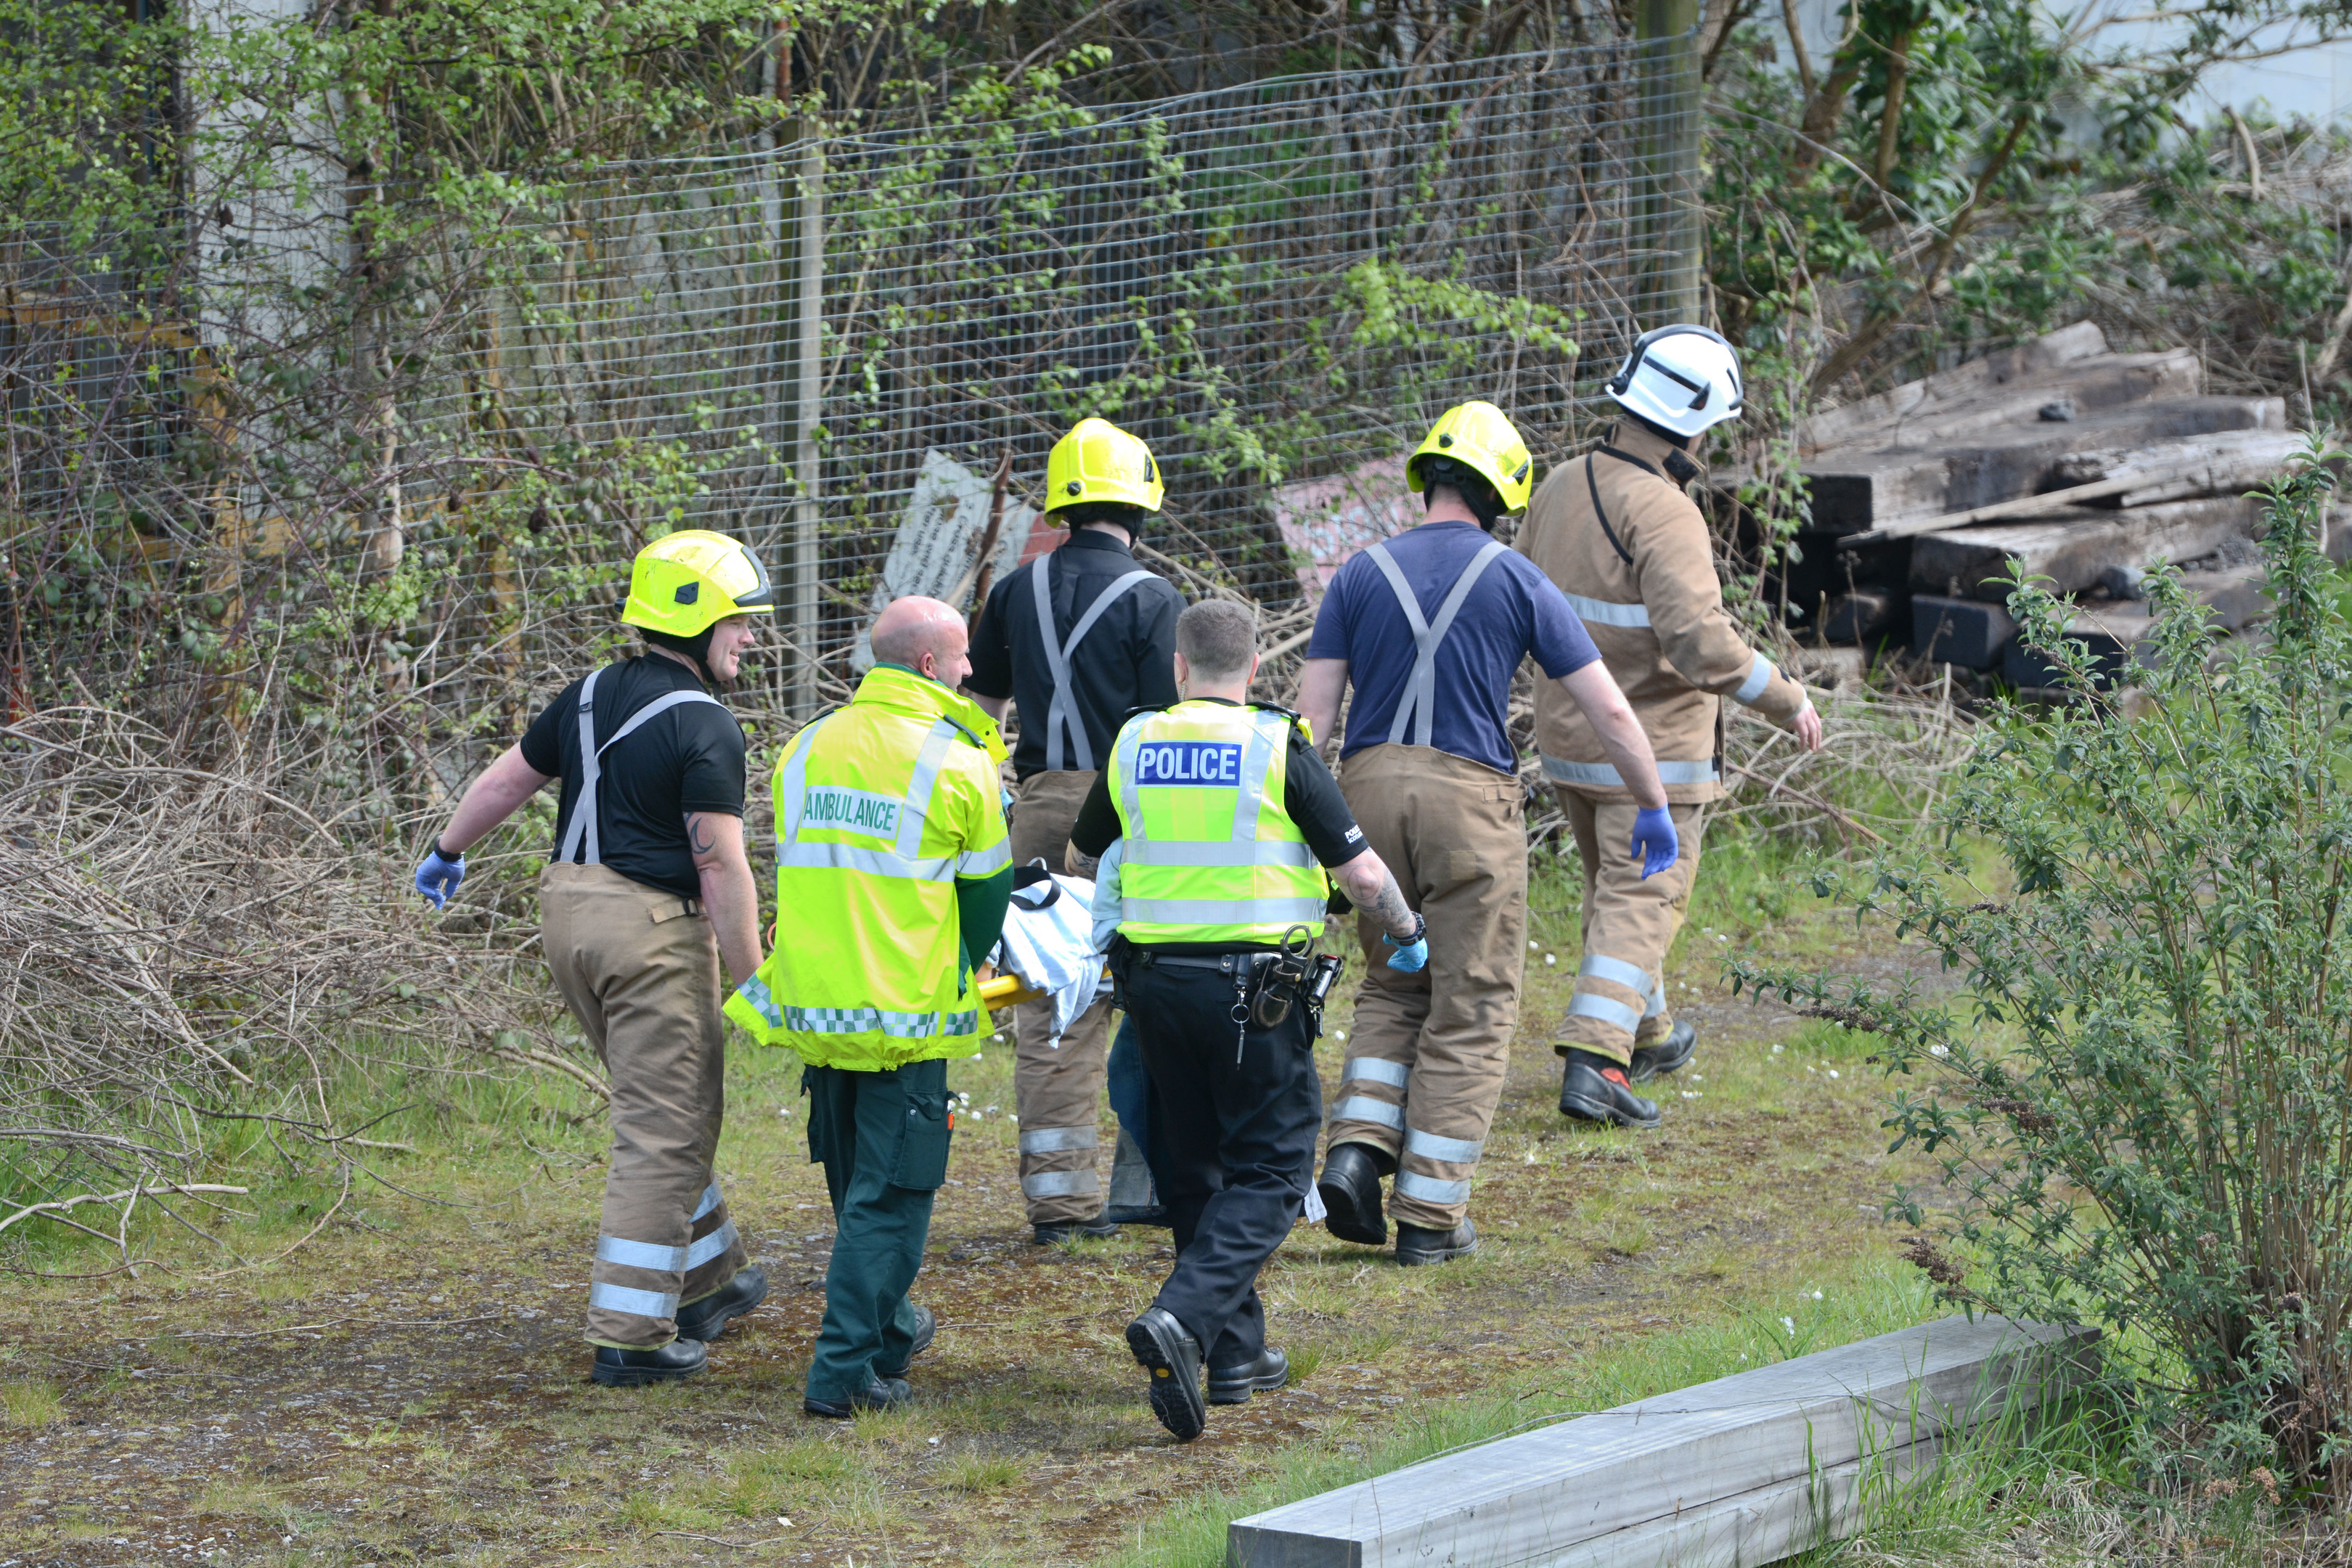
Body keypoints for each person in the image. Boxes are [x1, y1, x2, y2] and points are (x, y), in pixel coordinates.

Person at [1295, 402, 1673, 1267]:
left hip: (1368, 796)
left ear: (1425, 478)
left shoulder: (1357, 573)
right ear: (1505, 493)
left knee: (1392, 986)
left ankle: (1356, 1153)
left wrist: (1297, 832)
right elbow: (1606, 705)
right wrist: (1651, 801)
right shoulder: (1517, 578)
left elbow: (1310, 724)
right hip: (1469, 803)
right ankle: (1429, 1214)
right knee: (1471, 1005)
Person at [413, 530, 771, 1387]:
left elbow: (508, 780)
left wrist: (448, 848)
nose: (750, 638)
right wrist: (760, 979)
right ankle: (630, 1335)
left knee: (662, 1105)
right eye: (739, 620)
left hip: (568, 916)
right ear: (695, 623)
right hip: (650, 929)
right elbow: (719, 862)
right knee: (666, 1128)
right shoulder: (706, 725)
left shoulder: (587, 694)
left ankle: (706, 1284)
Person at [1069, 599, 1426, 1441]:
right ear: (1255, 669)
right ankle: (1183, 1317)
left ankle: (1232, 1357)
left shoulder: (1134, 741)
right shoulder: (1275, 743)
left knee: (1194, 1165)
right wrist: (1408, 933)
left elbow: (1088, 857)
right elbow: (1364, 875)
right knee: (1270, 1170)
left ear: (1180, 669)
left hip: (1154, 984)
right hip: (1251, 991)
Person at [1514, 325, 1824, 1129]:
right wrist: (1788, 697)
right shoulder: (1666, 511)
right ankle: (1597, 1062)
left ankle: (1648, 1031)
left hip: (1569, 742)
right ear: (1694, 423)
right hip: (1653, 754)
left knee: (1616, 890)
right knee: (1644, 897)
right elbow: (1701, 646)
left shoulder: (1558, 487)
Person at [724, 595, 1013, 1418]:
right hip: (902, 1018)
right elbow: (988, 892)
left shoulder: (805, 746)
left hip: (819, 1009)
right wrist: (957, 963)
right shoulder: (958, 760)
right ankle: (842, 1372)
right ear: (928, 664)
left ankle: (889, 1337)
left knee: (857, 1190)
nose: (970, 675)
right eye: (962, 662)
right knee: (889, 1205)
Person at [966, 417, 1184, 1242]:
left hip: (1034, 807)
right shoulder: (1156, 599)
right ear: (1141, 504)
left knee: (1053, 1006)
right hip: (1125, 813)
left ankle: (1059, 1203)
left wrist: (994, 806)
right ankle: (1150, 1181)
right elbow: (1165, 730)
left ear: (1063, 503)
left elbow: (980, 713)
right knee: (1158, 993)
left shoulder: (1014, 591)